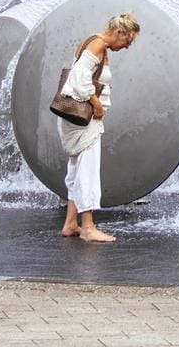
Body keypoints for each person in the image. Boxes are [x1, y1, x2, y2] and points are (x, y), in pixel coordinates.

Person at [58, 13, 140, 244]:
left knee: (76, 169)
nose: (126, 47)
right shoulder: (98, 45)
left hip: (75, 118)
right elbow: (79, 78)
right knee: (88, 170)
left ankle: (70, 223)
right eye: (127, 41)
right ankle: (88, 227)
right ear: (119, 32)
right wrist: (96, 104)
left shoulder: (92, 41)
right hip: (85, 119)